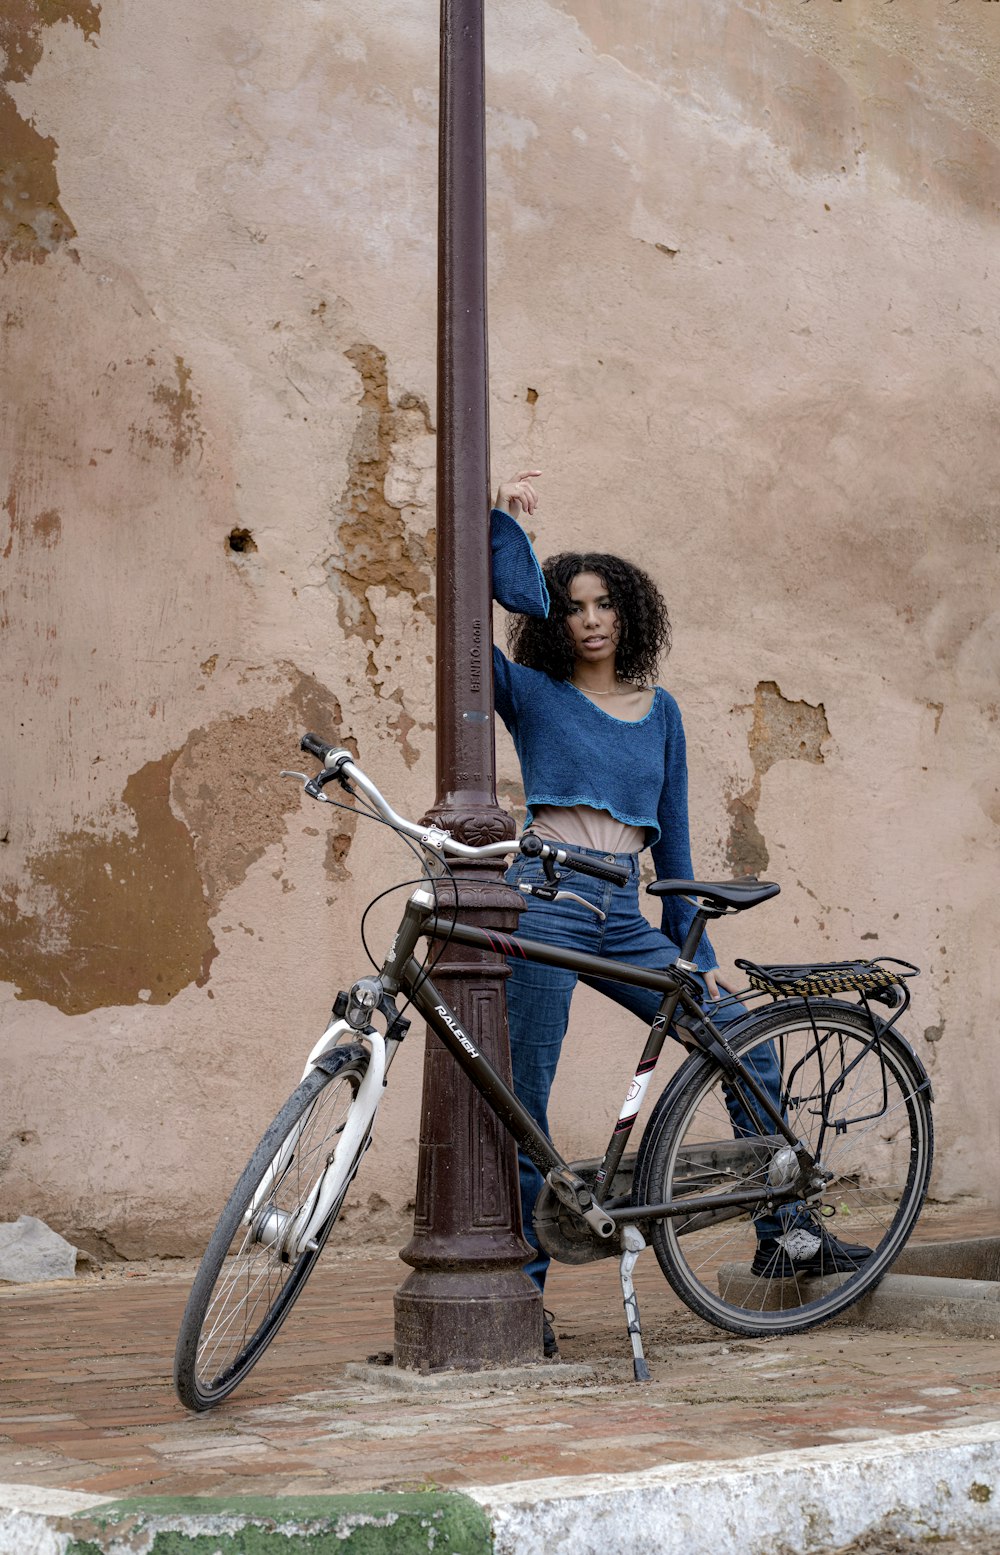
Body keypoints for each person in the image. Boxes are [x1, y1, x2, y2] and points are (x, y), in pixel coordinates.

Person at [489, 471, 870, 1358]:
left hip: (625, 910)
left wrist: (690, 942)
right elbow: (466, 633)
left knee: (744, 1036)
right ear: (555, 618)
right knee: (524, 1101)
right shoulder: (535, 694)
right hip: (545, 899)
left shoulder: (661, 713)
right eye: (574, 606)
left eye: (605, 604)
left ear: (629, 616)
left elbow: (679, 848)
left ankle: (786, 1230)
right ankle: (522, 1299)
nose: (590, 619)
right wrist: (503, 524)